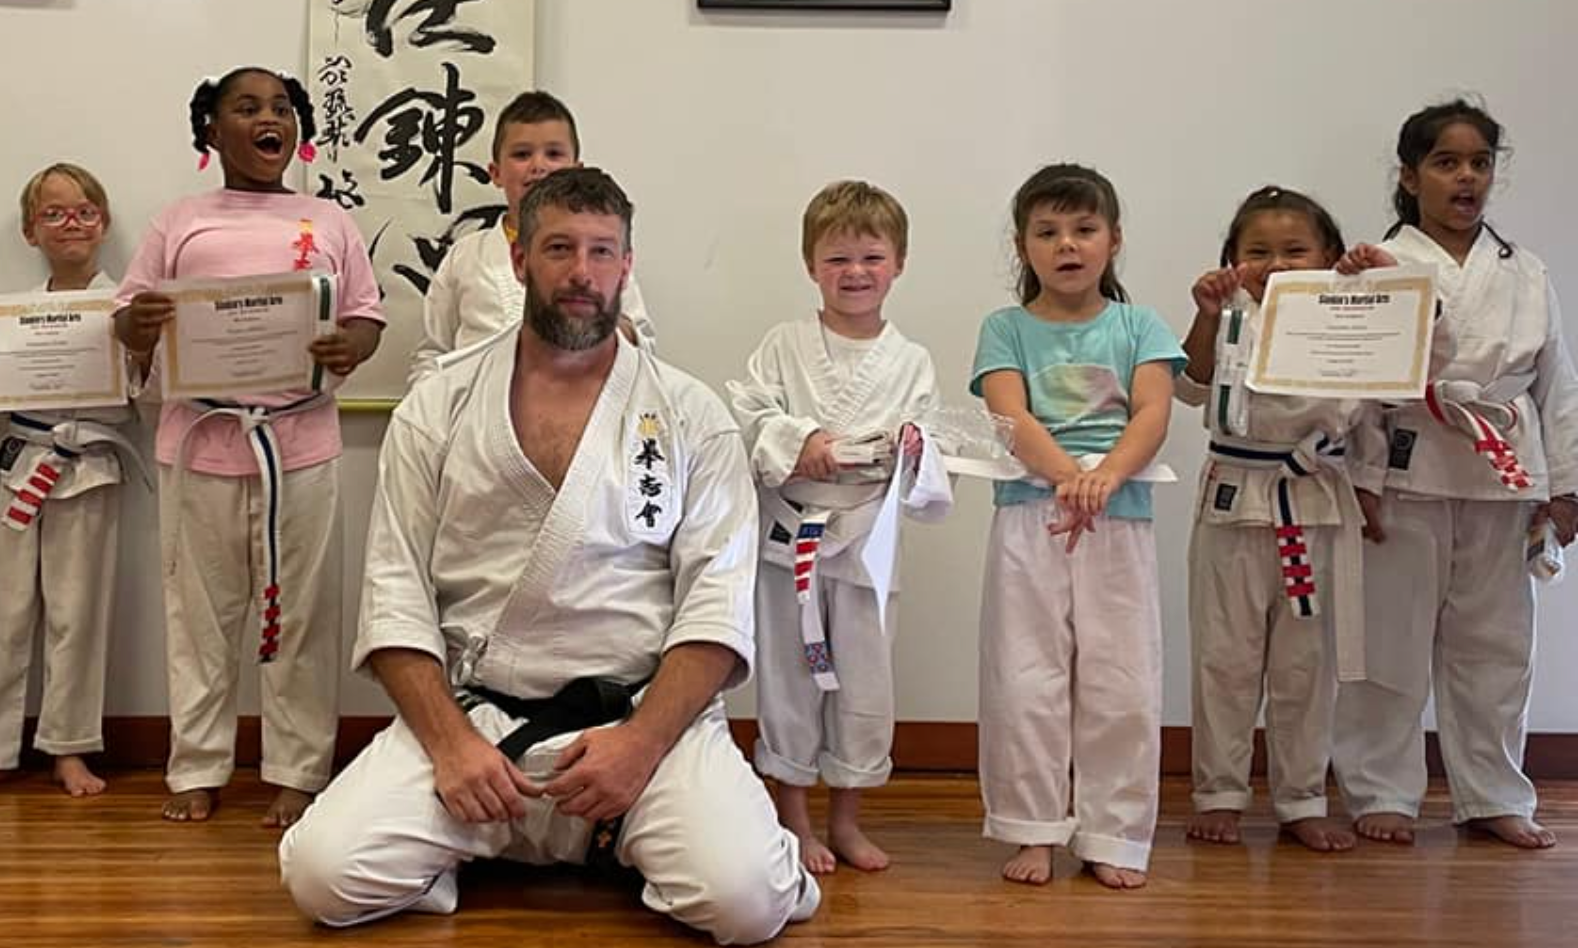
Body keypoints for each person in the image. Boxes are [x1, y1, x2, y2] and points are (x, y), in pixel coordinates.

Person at [279, 167, 818, 945]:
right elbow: (394, 592)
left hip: (639, 721)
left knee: (746, 901)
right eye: (559, 247)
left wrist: (639, 747)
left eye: (603, 251)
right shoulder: (440, 402)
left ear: (627, 267)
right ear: (520, 259)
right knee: (321, 878)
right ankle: (545, 838)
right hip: (477, 721)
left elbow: (716, 604)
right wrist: (451, 745)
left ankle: (600, 830)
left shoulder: (690, 413)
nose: (581, 272)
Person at [113, 66, 385, 827]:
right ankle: (196, 766)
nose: (271, 118)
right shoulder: (179, 219)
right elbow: (129, 313)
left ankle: (298, 769)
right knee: (199, 614)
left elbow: (364, 314)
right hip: (199, 440)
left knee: (301, 612)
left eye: (282, 108)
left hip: (299, 441)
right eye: (247, 107)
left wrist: (350, 348)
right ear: (212, 129)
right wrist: (137, 325)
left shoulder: (329, 219)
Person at [1332, 100, 1577, 850]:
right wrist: (1363, 477)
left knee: (1496, 646)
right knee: (1389, 641)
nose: (1466, 177)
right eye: (1446, 162)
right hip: (1407, 464)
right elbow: (1361, 382)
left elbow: (1556, 383)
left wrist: (1566, 484)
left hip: (1504, 474)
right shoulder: (1380, 263)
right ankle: (1381, 789)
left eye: (1479, 162)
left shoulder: (1525, 271)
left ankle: (1493, 793)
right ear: (1410, 177)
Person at [971, 163, 1184, 889]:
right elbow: (1010, 415)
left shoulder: (1139, 325)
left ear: (1113, 240)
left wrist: (1106, 477)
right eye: (1048, 231)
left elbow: (1153, 412)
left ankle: (1114, 832)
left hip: (1117, 520)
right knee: (1025, 676)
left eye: (1084, 229)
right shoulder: (1006, 328)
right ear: (1022, 245)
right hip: (1032, 517)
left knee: (1121, 680)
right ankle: (1031, 827)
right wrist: (1067, 476)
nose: (1067, 244)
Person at [728, 179, 944, 874]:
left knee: (863, 680)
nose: (855, 273)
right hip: (792, 535)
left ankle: (847, 818)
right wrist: (801, 437)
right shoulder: (783, 345)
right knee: (791, 675)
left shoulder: (911, 361)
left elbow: (931, 446)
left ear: (899, 263)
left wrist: (913, 450)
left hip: (866, 540)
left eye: (872, 258)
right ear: (810, 265)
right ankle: (793, 817)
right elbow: (751, 414)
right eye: (838, 259)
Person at [1177, 186, 1364, 852]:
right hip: (1234, 495)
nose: (1276, 264)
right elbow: (1191, 384)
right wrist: (1204, 312)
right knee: (1224, 657)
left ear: (1329, 256)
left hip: (1313, 499)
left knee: (1305, 662)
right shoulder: (1226, 310)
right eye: (1258, 252)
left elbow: (1381, 397)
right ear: (1232, 258)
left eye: (1295, 250)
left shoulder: (1350, 309)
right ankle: (1220, 792)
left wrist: (1376, 288)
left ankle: (1302, 797)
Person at [0, 162, 138, 798]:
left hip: (88, 471)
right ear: (31, 232)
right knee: (0, 614)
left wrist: (143, 350)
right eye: (53, 214)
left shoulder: (126, 309)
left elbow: (147, 405)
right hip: (20, 465)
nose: (71, 224)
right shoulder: (9, 316)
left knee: (77, 617)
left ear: (103, 222)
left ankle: (69, 747)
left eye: (84, 211)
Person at [406, 90, 655, 389]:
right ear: (495, 172)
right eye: (522, 154)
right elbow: (432, 353)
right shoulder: (465, 256)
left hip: (584, 406)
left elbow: (643, 344)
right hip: (475, 418)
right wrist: (433, 413)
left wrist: (589, 325)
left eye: (553, 154)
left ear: (577, 170)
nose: (538, 166)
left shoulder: (600, 257)